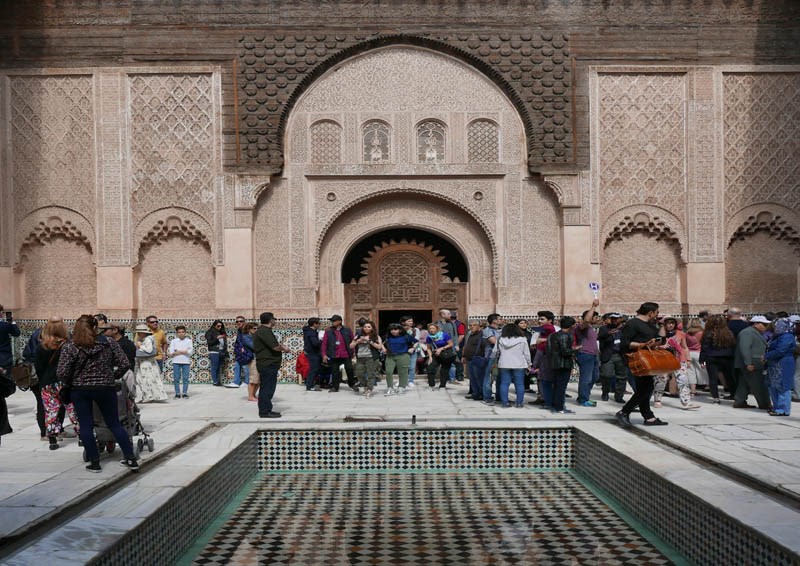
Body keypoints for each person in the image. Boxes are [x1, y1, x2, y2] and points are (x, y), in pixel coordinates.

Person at [56, 315, 138, 473]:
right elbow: (124, 364)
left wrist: (72, 380)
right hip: (105, 388)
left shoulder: (71, 346)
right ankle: (130, 458)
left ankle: (95, 462)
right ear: (96, 327)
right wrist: (112, 376)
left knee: (86, 425)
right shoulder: (108, 343)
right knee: (114, 423)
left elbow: (61, 372)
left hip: (80, 390)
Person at [615, 302, 668, 427]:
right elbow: (624, 343)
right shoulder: (633, 324)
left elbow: (661, 339)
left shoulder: (649, 325)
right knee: (646, 388)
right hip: (636, 360)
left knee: (645, 388)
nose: (657, 315)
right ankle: (624, 412)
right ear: (650, 313)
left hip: (647, 360)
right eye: (657, 312)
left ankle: (648, 416)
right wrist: (642, 345)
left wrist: (661, 325)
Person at [34, 319, 79, 450]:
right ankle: (82, 434)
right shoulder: (69, 346)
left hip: (48, 384)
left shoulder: (42, 347)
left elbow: (39, 368)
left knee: (51, 411)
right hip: (65, 382)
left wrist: (44, 381)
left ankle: (52, 439)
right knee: (73, 409)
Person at [254, 312, 290, 418]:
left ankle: (266, 409)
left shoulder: (264, 331)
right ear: (270, 320)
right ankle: (265, 411)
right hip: (267, 364)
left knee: (268, 387)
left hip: (268, 363)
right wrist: (285, 349)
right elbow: (274, 347)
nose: (275, 321)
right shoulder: (264, 331)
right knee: (267, 388)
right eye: (274, 319)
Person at [733, 315, 771, 410]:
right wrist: (748, 363)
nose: (766, 327)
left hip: (753, 362)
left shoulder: (753, 332)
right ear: (756, 324)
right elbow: (745, 348)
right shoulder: (748, 333)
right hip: (752, 363)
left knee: (744, 383)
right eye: (764, 324)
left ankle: (739, 401)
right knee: (758, 384)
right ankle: (764, 403)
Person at [699, 314, 736, 404]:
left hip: (712, 357)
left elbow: (705, 347)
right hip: (727, 357)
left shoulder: (708, 333)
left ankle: (716, 397)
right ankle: (733, 394)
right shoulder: (728, 333)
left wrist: (702, 359)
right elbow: (733, 345)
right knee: (729, 377)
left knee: (713, 378)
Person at [764, 317, 797, 417]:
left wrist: (766, 356)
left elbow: (781, 350)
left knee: (782, 386)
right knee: (774, 386)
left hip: (783, 363)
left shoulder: (787, 336)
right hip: (775, 364)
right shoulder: (777, 336)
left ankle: (783, 409)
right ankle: (777, 407)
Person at [547, 316, 579, 415]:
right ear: (571, 325)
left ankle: (554, 405)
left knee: (556, 385)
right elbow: (565, 351)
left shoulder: (552, 335)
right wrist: (576, 349)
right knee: (561, 386)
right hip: (563, 364)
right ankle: (559, 407)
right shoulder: (566, 335)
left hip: (554, 363)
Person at [496, 323, 531, 408]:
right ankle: (519, 403)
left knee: (504, 383)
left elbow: (496, 351)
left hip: (504, 363)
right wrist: (529, 363)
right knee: (519, 384)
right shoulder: (522, 339)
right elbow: (526, 353)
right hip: (519, 364)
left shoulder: (500, 339)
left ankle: (505, 403)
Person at [574, 299, 601, 407]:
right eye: (596, 317)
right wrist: (593, 306)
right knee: (586, 378)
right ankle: (583, 399)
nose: (598, 319)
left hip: (594, 355)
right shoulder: (582, 327)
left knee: (594, 377)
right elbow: (586, 320)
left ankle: (584, 396)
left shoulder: (591, 329)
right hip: (585, 354)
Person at [134, 323, 168, 403]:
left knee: (147, 379)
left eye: (139, 332)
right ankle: (148, 395)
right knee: (143, 379)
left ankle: (149, 396)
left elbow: (149, 350)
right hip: (144, 362)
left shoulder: (148, 339)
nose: (138, 333)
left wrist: (140, 346)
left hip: (147, 363)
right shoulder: (144, 339)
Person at [528, 311, 556, 407]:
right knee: (540, 376)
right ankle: (541, 397)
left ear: (550, 320)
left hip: (544, 354)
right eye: (539, 319)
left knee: (543, 376)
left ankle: (545, 398)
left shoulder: (548, 327)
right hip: (541, 353)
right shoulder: (545, 329)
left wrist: (542, 340)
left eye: (542, 319)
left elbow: (553, 338)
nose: (539, 321)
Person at [322, 315, 356, 393]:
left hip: (346, 354)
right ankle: (335, 387)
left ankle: (352, 384)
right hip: (334, 354)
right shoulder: (328, 331)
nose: (332, 322)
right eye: (332, 321)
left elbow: (353, 341)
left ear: (339, 321)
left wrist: (353, 352)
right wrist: (324, 354)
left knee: (349, 369)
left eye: (334, 321)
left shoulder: (347, 330)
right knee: (335, 371)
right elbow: (324, 343)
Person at [598, 313, 627, 403]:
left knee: (622, 377)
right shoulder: (604, 329)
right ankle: (605, 392)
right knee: (606, 375)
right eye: (612, 319)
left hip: (620, 355)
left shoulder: (624, 329)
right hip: (609, 355)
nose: (614, 320)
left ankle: (619, 396)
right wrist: (608, 334)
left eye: (616, 319)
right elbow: (600, 337)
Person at [351, 320, 384, 397]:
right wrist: (357, 341)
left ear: (372, 328)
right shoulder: (358, 335)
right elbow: (351, 346)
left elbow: (379, 347)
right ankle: (365, 386)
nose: (366, 328)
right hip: (360, 357)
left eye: (369, 327)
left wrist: (370, 341)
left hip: (371, 358)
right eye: (365, 327)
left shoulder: (376, 336)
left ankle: (369, 389)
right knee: (358, 374)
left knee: (370, 374)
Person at [382, 322, 415, 396]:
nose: (393, 331)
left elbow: (414, 343)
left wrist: (412, 348)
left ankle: (401, 387)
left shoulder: (406, 336)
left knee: (403, 372)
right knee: (388, 371)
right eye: (391, 330)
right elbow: (381, 342)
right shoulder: (387, 336)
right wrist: (383, 348)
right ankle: (390, 388)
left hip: (403, 355)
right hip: (390, 356)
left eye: (395, 329)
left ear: (400, 330)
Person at [481, 314, 503, 404]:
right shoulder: (487, 330)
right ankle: (487, 396)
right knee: (489, 377)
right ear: (494, 321)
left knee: (500, 377)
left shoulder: (501, 330)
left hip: (501, 356)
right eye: (500, 319)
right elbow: (494, 341)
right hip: (491, 356)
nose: (502, 320)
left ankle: (500, 396)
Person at [426, 322, 455, 390]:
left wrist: (441, 349)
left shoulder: (444, 335)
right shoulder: (429, 337)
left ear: (437, 329)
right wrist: (430, 357)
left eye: (433, 328)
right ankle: (431, 385)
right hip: (436, 354)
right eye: (430, 328)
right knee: (430, 368)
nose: (431, 330)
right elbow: (428, 348)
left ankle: (442, 386)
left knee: (444, 370)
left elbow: (451, 344)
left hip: (446, 354)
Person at [462, 321, 486, 401]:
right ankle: (475, 393)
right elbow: (467, 345)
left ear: (479, 326)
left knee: (479, 378)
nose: (472, 327)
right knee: (472, 378)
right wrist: (464, 356)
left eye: (474, 325)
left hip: (477, 359)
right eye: (470, 325)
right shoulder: (470, 334)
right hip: (469, 359)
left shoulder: (482, 335)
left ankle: (482, 394)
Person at [168, 325, 194, 399]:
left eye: (183, 332)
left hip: (186, 362)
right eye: (179, 332)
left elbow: (190, 352)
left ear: (185, 332)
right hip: (176, 361)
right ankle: (177, 393)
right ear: (176, 333)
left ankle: (185, 393)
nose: (181, 333)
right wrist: (185, 351)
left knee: (185, 378)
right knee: (176, 378)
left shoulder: (189, 341)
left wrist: (178, 351)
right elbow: (171, 352)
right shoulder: (174, 341)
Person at [684, 318, 708, 396]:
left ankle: (693, 391)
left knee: (691, 372)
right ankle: (708, 387)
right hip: (699, 353)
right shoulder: (702, 333)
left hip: (689, 353)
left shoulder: (686, 333)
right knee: (704, 371)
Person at [227, 316, 251, 388]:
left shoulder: (247, 330)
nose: (239, 323)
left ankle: (247, 382)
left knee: (245, 367)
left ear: (244, 322)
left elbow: (248, 340)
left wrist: (244, 348)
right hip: (239, 351)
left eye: (241, 321)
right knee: (237, 365)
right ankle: (236, 382)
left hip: (245, 351)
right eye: (237, 321)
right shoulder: (239, 330)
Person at [302, 317, 322, 391]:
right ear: (314, 324)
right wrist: (322, 340)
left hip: (312, 353)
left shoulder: (309, 331)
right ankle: (309, 386)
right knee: (313, 369)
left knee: (314, 369)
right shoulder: (311, 333)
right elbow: (315, 343)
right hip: (313, 353)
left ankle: (311, 384)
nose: (320, 325)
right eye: (318, 323)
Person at [205, 320, 227, 386]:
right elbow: (209, 343)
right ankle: (215, 381)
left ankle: (218, 381)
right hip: (214, 352)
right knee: (215, 367)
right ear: (214, 325)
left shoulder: (221, 332)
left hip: (221, 352)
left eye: (221, 326)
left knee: (218, 367)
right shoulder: (210, 332)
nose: (220, 327)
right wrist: (217, 338)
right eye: (218, 326)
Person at [400, 316, 421, 388]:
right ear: (403, 322)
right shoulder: (400, 329)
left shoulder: (415, 330)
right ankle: (402, 381)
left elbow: (417, 340)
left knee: (412, 367)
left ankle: (410, 381)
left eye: (411, 321)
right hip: (402, 350)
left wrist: (413, 348)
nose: (411, 322)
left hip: (412, 350)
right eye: (409, 321)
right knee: (402, 366)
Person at [245, 323, 260, 401]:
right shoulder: (246, 337)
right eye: (254, 328)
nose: (256, 330)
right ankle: (250, 396)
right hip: (253, 359)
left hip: (258, 359)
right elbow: (254, 347)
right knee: (253, 379)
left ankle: (253, 395)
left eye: (257, 328)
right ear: (249, 329)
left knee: (258, 379)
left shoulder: (255, 336)